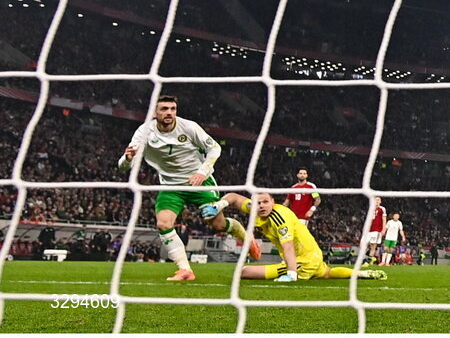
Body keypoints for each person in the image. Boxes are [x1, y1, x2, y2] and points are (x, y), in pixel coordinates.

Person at [118, 95, 259, 281]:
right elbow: (124, 166)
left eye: (172, 109)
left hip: (199, 182)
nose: (169, 113)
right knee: (163, 223)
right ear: (154, 112)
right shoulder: (144, 132)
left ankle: (244, 235)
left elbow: (215, 148)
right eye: (164, 109)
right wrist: (127, 159)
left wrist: (202, 172)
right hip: (170, 186)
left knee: (217, 225)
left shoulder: (189, 127)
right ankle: (185, 269)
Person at [202, 193, 385, 282]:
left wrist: (291, 273)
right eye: (258, 203)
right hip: (314, 255)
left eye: (266, 202)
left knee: (243, 272)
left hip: (302, 261)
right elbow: (234, 197)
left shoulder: (279, 217)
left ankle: (291, 272)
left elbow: (288, 246)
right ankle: (359, 273)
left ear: (274, 202)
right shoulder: (256, 208)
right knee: (327, 273)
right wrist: (219, 205)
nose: (261, 205)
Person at [365, 197, 386, 265]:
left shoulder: (382, 209)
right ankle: (372, 258)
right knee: (366, 244)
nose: (376, 201)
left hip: (377, 230)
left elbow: (384, 219)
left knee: (373, 245)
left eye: (378, 200)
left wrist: (383, 229)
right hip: (369, 229)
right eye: (375, 200)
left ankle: (367, 261)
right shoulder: (371, 209)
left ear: (380, 202)